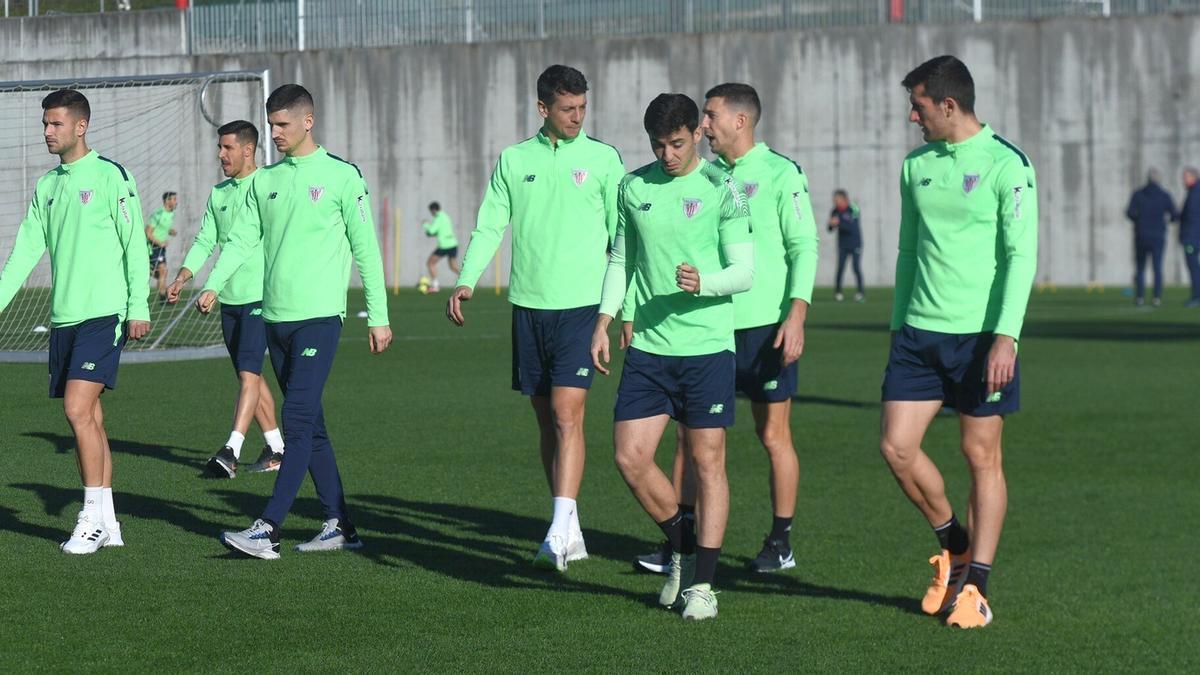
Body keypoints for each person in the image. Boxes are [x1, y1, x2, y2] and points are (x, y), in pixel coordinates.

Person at [197, 84, 393, 559]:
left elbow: (366, 249)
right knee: (314, 427)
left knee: (297, 419)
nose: (276, 133)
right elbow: (242, 239)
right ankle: (340, 524)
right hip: (274, 320)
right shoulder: (266, 181)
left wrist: (379, 316)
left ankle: (268, 528)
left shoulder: (343, 177)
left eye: (283, 124)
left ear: (308, 121)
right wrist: (214, 282)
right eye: (272, 124)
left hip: (319, 321)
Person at [633, 83, 818, 577]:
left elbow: (805, 247)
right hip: (707, 327)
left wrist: (796, 313)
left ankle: (780, 540)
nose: (704, 125)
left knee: (772, 433)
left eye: (711, 116)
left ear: (741, 121)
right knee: (687, 440)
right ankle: (681, 541)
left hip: (764, 327)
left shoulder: (782, 173)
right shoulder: (706, 177)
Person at [446, 65, 625, 571]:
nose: (577, 117)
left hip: (581, 309)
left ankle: (559, 531)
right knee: (547, 422)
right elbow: (489, 224)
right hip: (528, 308)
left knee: (569, 417)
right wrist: (467, 278)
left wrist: (617, 313)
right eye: (567, 109)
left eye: (583, 108)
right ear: (543, 109)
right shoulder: (513, 159)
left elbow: (621, 242)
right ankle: (569, 526)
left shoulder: (603, 159)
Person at [880, 56, 1037, 629]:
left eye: (918, 106)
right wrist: (898, 326)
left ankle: (978, 589)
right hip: (918, 334)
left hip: (981, 339)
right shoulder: (915, 166)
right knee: (897, 448)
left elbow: (1022, 258)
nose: (911, 116)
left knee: (980, 457)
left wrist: (1006, 337)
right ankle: (956, 543)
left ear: (948, 106)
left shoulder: (1007, 164)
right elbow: (906, 250)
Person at [592, 93, 754, 620]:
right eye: (658, 145)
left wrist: (705, 283)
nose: (667, 155)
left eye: (677, 143)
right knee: (629, 457)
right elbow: (622, 257)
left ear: (695, 133)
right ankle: (684, 548)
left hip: (707, 348)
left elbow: (744, 272)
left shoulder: (722, 187)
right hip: (650, 349)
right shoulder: (632, 186)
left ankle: (704, 585)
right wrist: (605, 318)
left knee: (708, 463)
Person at [0, 89, 152, 554]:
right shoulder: (47, 186)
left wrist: (139, 306)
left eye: (56, 124)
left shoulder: (110, 176)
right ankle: (109, 521)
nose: (47, 132)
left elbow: (134, 245)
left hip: (104, 314)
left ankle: (89, 518)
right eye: (45, 124)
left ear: (80, 126)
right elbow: (26, 250)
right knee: (90, 417)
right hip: (64, 318)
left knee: (75, 409)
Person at [166, 120, 286, 477]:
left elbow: (242, 245)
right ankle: (278, 447)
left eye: (227, 148)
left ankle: (231, 450)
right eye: (220, 148)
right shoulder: (219, 194)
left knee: (249, 372)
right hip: (229, 299)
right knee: (249, 375)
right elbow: (206, 240)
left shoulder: (266, 186)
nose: (221, 155)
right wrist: (184, 275)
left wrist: (212, 286)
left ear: (248, 150)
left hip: (260, 297)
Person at [1125, 169, 1177, 307]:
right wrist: (1164, 221)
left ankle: (1140, 297)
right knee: (1157, 268)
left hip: (1141, 236)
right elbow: (1174, 215)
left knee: (1140, 268)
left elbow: (1129, 213)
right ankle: (1156, 298)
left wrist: (1139, 220)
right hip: (1158, 236)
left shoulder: (1138, 194)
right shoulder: (1164, 195)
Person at [828, 189, 865, 302]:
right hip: (842, 244)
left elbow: (852, 227)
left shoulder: (853, 209)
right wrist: (831, 225)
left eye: (837, 199)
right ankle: (838, 292)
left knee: (856, 267)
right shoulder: (834, 211)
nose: (835, 202)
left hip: (855, 243)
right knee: (840, 268)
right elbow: (830, 229)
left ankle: (860, 293)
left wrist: (839, 223)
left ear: (844, 199)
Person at [421, 202, 460, 293]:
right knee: (453, 266)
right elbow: (438, 231)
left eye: (431, 211)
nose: (431, 213)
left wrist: (425, 224)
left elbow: (431, 230)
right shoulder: (445, 216)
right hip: (453, 244)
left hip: (444, 246)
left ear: (433, 210)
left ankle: (435, 285)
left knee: (430, 263)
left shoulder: (438, 218)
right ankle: (467, 279)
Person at [146, 191, 178, 301]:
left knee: (162, 272)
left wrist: (170, 231)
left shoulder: (171, 213)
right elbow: (148, 232)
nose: (176, 202)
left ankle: (163, 295)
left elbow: (162, 228)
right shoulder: (158, 214)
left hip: (161, 248)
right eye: (174, 199)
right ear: (167, 201)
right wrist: (160, 243)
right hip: (153, 247)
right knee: (163, 270)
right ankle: (163, 296)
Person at [1176, 167, 1200, 307]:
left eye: (1185, 177)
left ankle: (1197, 296)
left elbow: (1190, 216)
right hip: (1192, 236)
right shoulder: (1193, 192)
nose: (1183, 180)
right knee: (1194, 267)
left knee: (1193, 267)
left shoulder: (1195, 192)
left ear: (1193, 177)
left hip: (1192, 238)